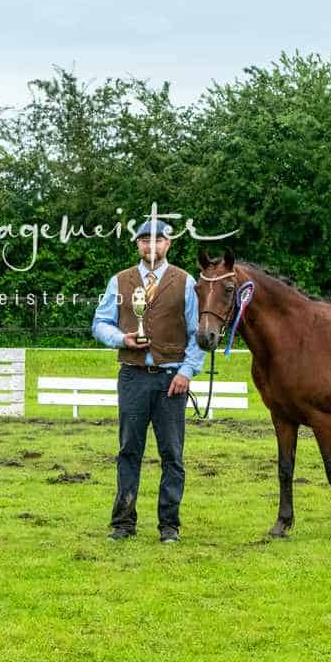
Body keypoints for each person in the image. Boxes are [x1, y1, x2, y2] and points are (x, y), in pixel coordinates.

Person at [91, 220, 204, 543]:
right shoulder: (119, 281)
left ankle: (169, 525)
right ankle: (123, 523)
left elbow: (197, 333)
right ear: (137, 245)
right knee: (128, 450)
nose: (150, 245)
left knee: (172, 454)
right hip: (132, 376)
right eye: (144, 240)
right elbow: (100, 323)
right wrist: (122, 339)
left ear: (168, 244)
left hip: (171, 379)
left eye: (157, 240)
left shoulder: (186, 282)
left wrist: (186, 372)